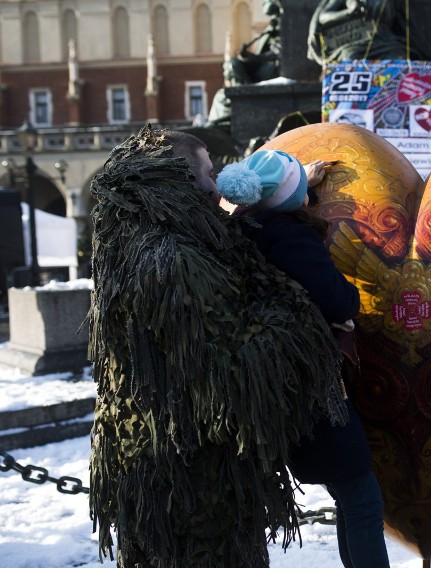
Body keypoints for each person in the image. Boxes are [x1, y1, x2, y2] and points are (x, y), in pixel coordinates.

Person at [88, 126, 347, 567]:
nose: (216, 187)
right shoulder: (170, 261)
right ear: (176, 183)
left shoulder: (138, 236)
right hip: (191, 489)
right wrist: (298, 310)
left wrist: (290, 184)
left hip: (161, 472)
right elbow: (238, 376)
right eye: (207, 174)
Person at [217, 149, 391, 568]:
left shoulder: (246, 227)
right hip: (309, 382)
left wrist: (298, 182)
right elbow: (337, 301)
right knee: (361, 497)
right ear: (290, 200)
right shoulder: (290, 236)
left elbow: (273, 192)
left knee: (350, 494)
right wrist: (351, 301)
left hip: (278, 376)